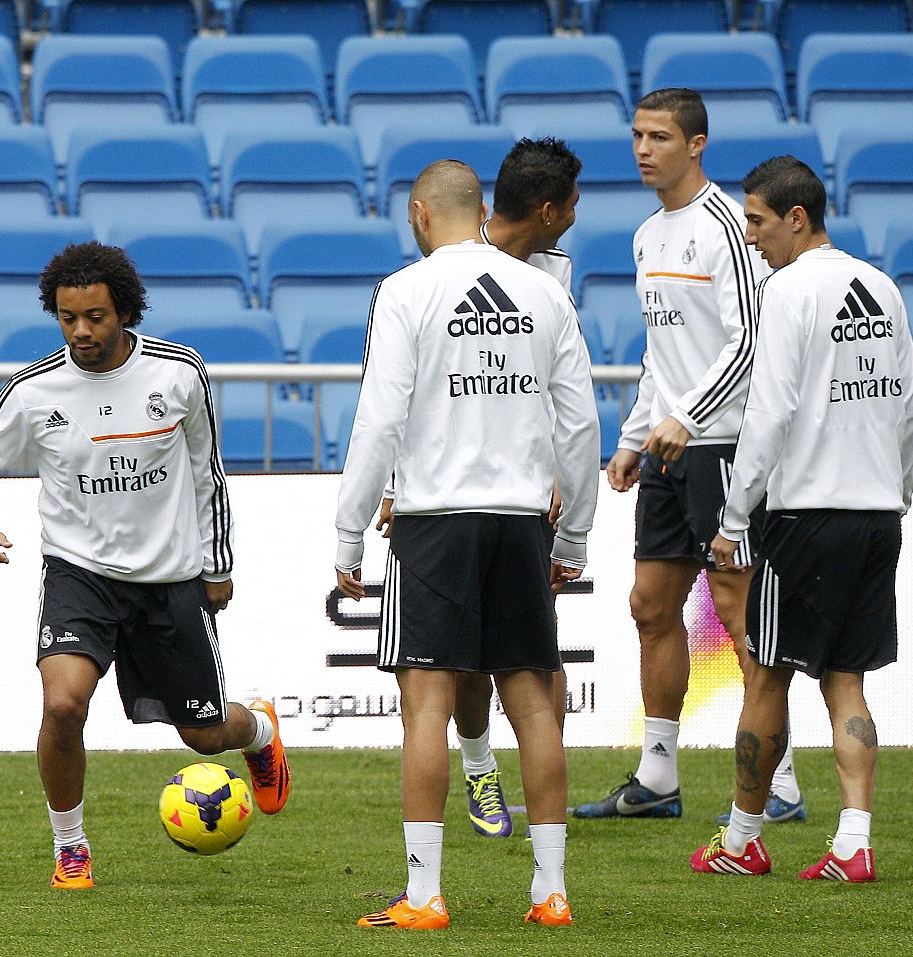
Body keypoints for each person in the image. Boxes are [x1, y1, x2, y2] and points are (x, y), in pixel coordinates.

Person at [0, 241, 290, 890]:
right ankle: (70, 846)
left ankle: (260, 730)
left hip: (169, 578)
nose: (81, 331)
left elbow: (207, 474)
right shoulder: (34, 388)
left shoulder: (179, 372)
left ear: (124, 311)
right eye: (68, 316)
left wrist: (218, 563)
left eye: (96, 317)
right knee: (64, 703)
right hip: (79, 573)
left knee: (207, 735)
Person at [337, 160, 599, 929]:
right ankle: (550, 893)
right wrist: (575, 529)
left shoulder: (405, 290)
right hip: (522, 517)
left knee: (425, 701)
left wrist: (349, 530)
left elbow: (379, 417)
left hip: (435, 518)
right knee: (534, 702)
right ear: (479, 208)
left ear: (420, 214)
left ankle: (425, 896)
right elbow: (579, 423)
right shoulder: (544, 290)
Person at [689, 155, 913, 881]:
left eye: (757, 220)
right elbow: (911, 408)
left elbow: (770, 412)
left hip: (807, 514)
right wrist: (900, 491)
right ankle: (854, 842)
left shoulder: (788, 291)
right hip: (877, 511)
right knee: (846, 679)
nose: (750, 236)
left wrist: (731, 520)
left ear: (796, 217)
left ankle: (741, 838)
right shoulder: (881, 285)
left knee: (765, 674)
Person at [576, 88, 805, 822]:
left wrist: (687, 416)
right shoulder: (648, 235)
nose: (644, 149)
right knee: (650, 605)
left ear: (697, 145)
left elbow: (749, 340)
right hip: (670, 450)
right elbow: (659, 353)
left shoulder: (724, 229)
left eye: (661, 137)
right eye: (638, 135)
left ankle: (782, 783)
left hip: (721, 445)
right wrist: (634, 437)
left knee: (739, 612)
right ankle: (659, 778)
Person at [376, 137, 584, 841]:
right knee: (488, 678)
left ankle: (429, 886)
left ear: (421, 213)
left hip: (494, 496)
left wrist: (560, 481)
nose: (577, 219)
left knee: (481, 681)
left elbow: (547, 395)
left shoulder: (551, 276)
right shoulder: (450, 281)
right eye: (573, 206)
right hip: (480, 496)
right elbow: (429, 392)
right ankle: (481, 770)